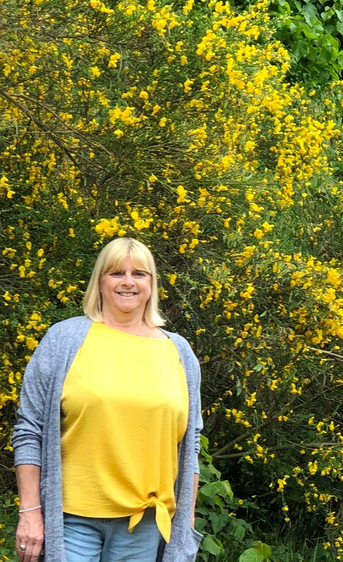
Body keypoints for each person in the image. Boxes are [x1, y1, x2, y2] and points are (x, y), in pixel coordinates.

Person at [12, 237, 203, 562]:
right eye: (117, 273)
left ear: (152, 283)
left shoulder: (179, 352)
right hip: (71, 522)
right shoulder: (64, 340)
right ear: (100, 281)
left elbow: (191, 443)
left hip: (144, 526)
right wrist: (30, 511)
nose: (128, 282)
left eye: (139, 274)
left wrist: (186, 518)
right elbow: (29, 429)